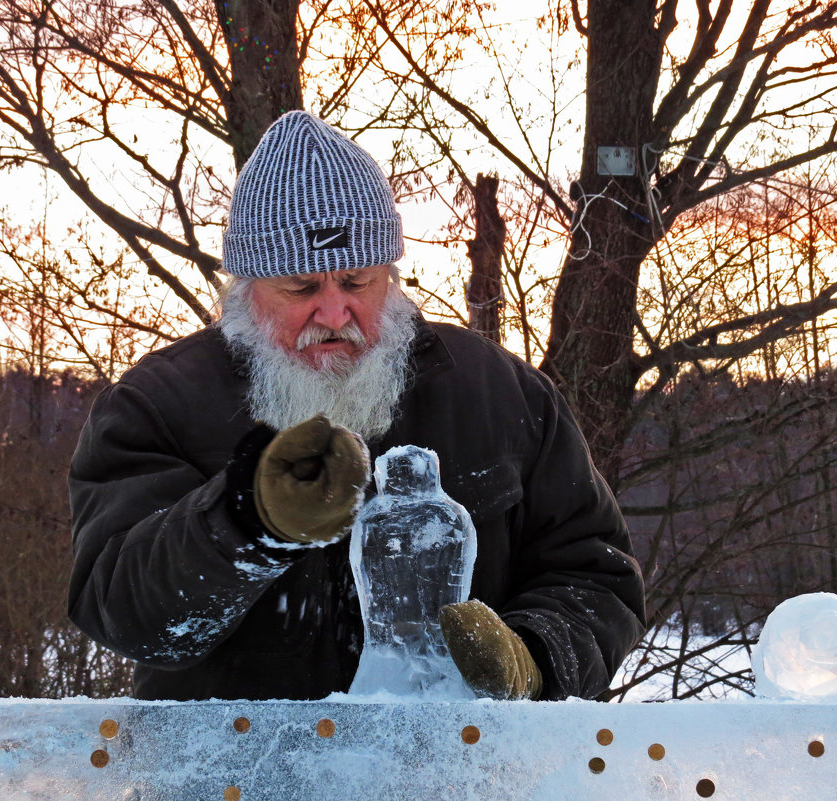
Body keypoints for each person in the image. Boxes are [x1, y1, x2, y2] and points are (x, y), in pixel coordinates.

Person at [68, 110, 645, 702]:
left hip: (457, 777)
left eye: (356, 281)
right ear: (244, 288)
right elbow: (123, 612)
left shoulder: (496, 392)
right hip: (235, 781)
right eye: (301, 288)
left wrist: (534, 659)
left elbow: (594, 574)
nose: (334, 313)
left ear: (389, 277)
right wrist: (245, 520)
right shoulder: (157, 405)